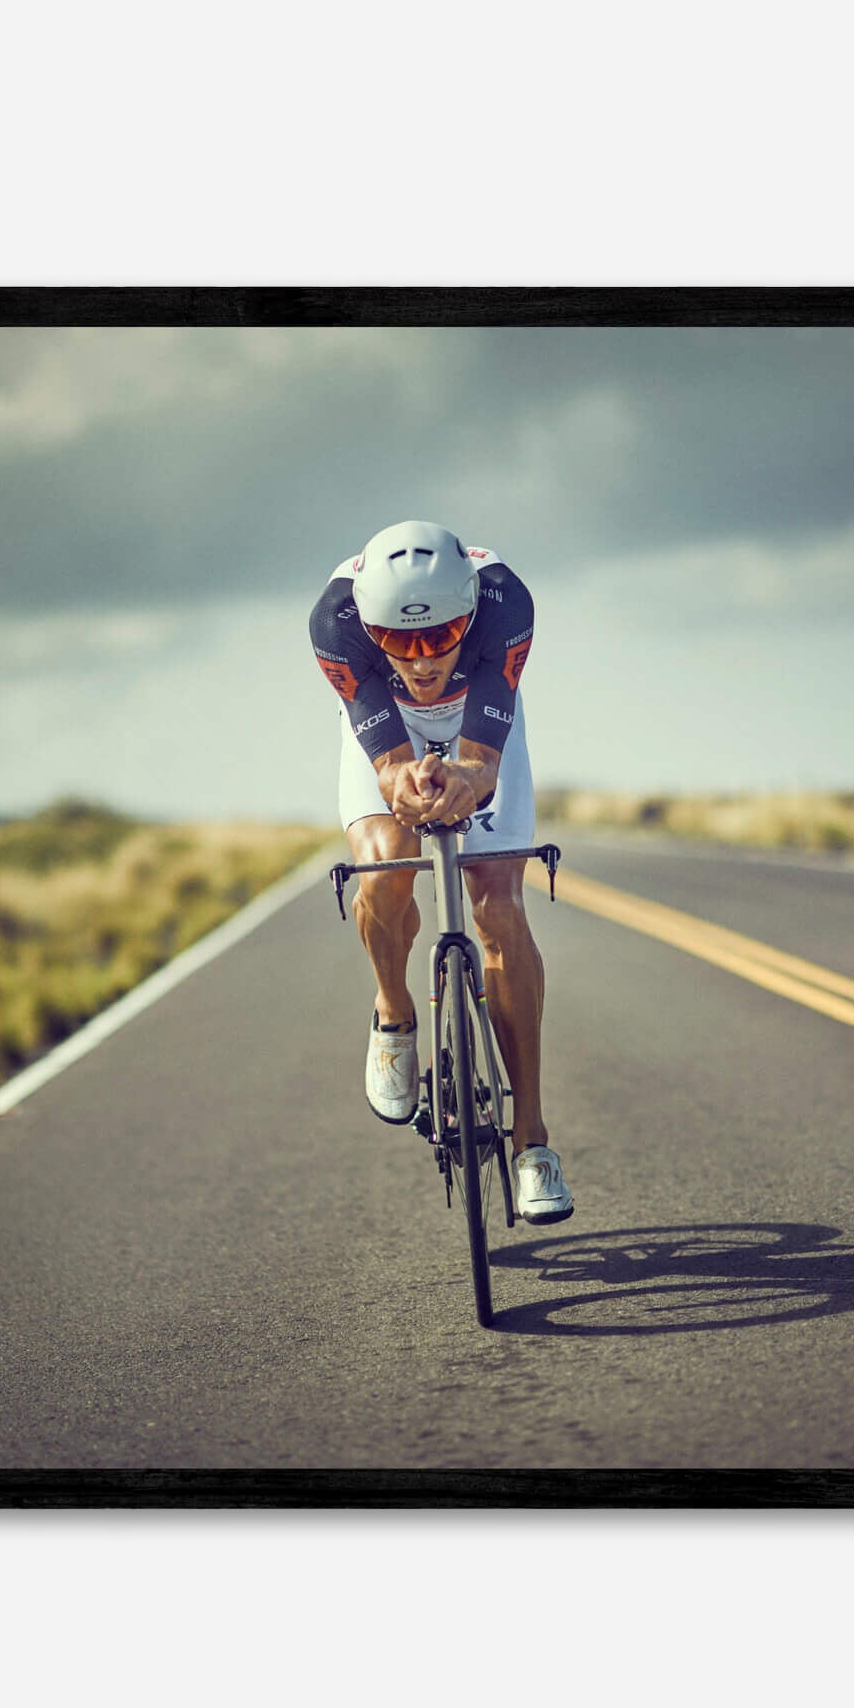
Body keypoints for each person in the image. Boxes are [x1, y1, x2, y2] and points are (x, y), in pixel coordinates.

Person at [308, 519, 573, 1225]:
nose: (421, 659)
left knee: (498, 906)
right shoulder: (335, 623)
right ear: (371, 629)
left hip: (478, 730)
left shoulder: (505, 603)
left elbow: (484, 763)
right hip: (388, 726)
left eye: (439, 637)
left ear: (470, 613)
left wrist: (465, 773)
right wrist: (409, 781)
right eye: (398, 641)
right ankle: (394, 1011)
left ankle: (532, 1143)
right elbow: (391, 770)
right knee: (383, 874)